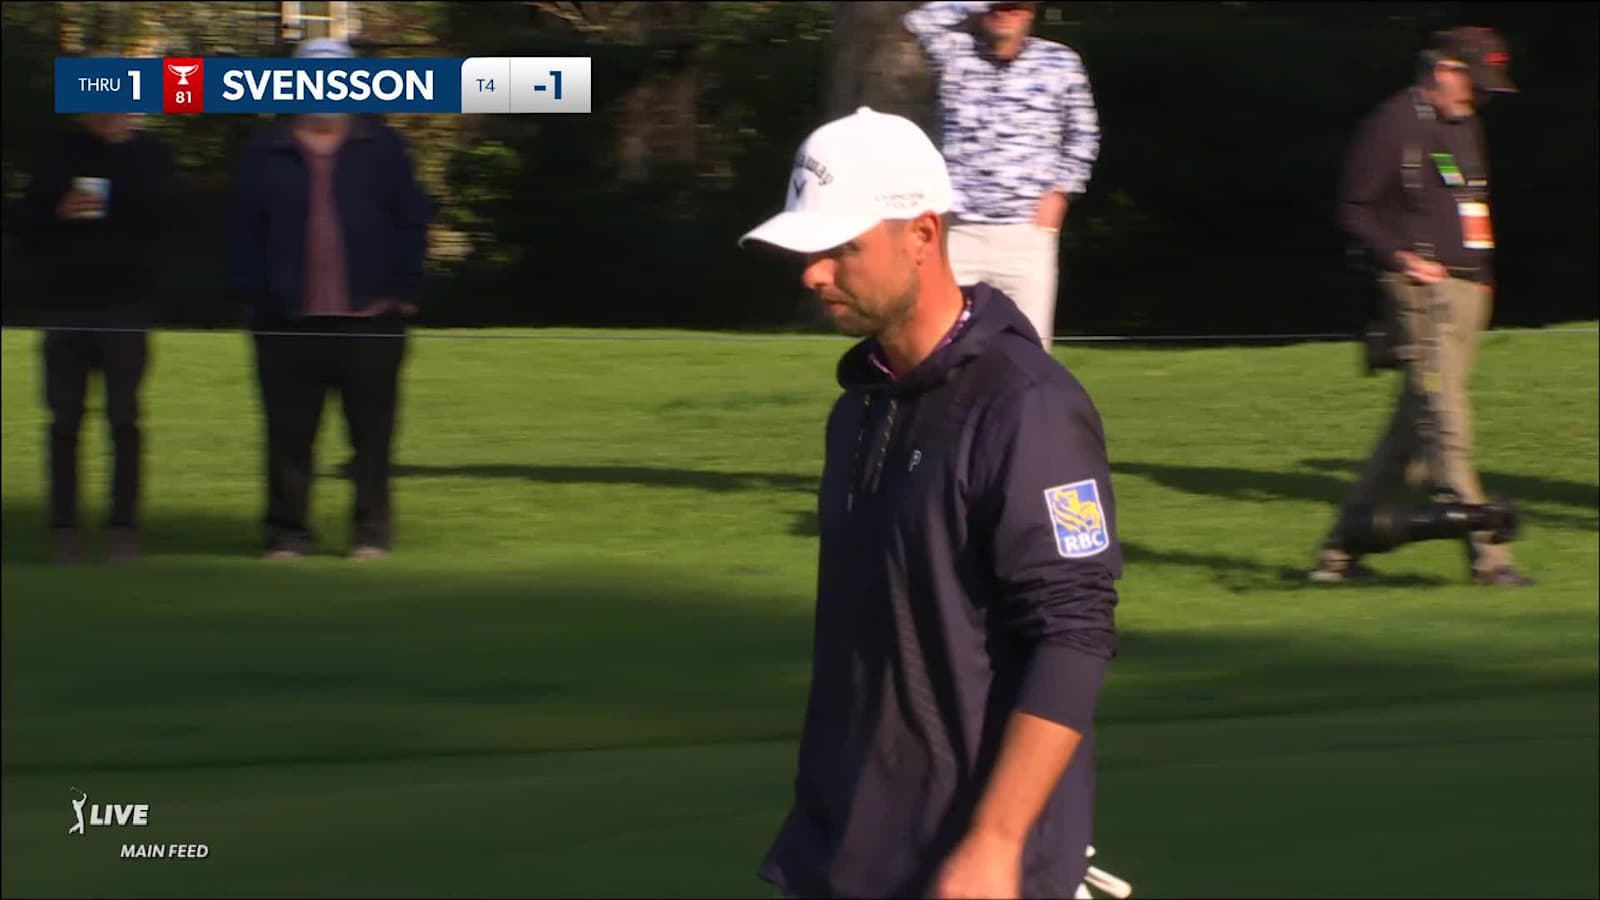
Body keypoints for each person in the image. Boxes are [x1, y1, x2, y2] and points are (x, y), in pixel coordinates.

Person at [739, 107, 1121, 899]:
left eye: (840, 248)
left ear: (921, 235)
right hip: (847, 851)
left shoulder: (1028, 407)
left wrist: (994, 844)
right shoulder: (861, 407)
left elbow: (1074, 634)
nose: (813, 273)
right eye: (808, 251)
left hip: (975, 868)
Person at [1311, 26, 1532, 587]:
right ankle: (1491, 557)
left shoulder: (1466, 126)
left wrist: (1481, 280)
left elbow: (1471, 205)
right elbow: (1355, 209)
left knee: (1410, 430)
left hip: (1466, 294)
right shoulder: (1392, 126)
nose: (1479, 97)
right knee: (1446, 419)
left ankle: (1340, 553)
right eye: (1474, 84)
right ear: (1444, 71)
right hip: (1420, 294)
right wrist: (1405, 259)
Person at [228, 37, 434, 561]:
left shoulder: (383, 147)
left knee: (372, 437)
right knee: (288, 438)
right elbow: (243, 230)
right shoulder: (265, 150)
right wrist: (253, 295)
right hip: (286, 321)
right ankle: (287, 534)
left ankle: (370, 534)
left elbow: (412, 220)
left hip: (371, 320)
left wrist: (406, 290)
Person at [20, 113, 175, 564]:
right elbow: (24, 220)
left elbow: (167, 217)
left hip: (126, 305)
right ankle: (64, 528)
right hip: (64, 305)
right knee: (64, 421)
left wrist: (123, 153)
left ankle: (123, 527)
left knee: (124, 419)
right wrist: (57, 212)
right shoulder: (58, 154)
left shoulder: (151, 156)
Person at [904, 0, 1100, 351]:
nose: (1006, 11)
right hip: (959, 233)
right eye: (998, 6)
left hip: (1026, 235)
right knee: (942, 350)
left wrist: (1061, 194)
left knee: (1028, 357)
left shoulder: (1060, 62)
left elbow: (1083, 135)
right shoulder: (956, 55)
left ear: (1032, 12)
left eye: (1016, 5)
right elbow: (919, 21)